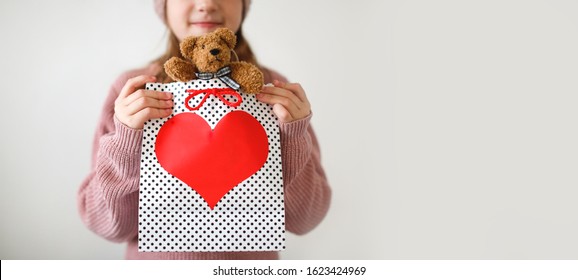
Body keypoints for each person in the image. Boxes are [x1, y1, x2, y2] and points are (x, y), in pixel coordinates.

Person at [77, 0, 331, 260]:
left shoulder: (273, 90)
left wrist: (292, 137)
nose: (206, 4)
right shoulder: (133, 92)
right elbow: (106, 226)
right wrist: (125, 142)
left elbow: (306, 220)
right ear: (163, 6)